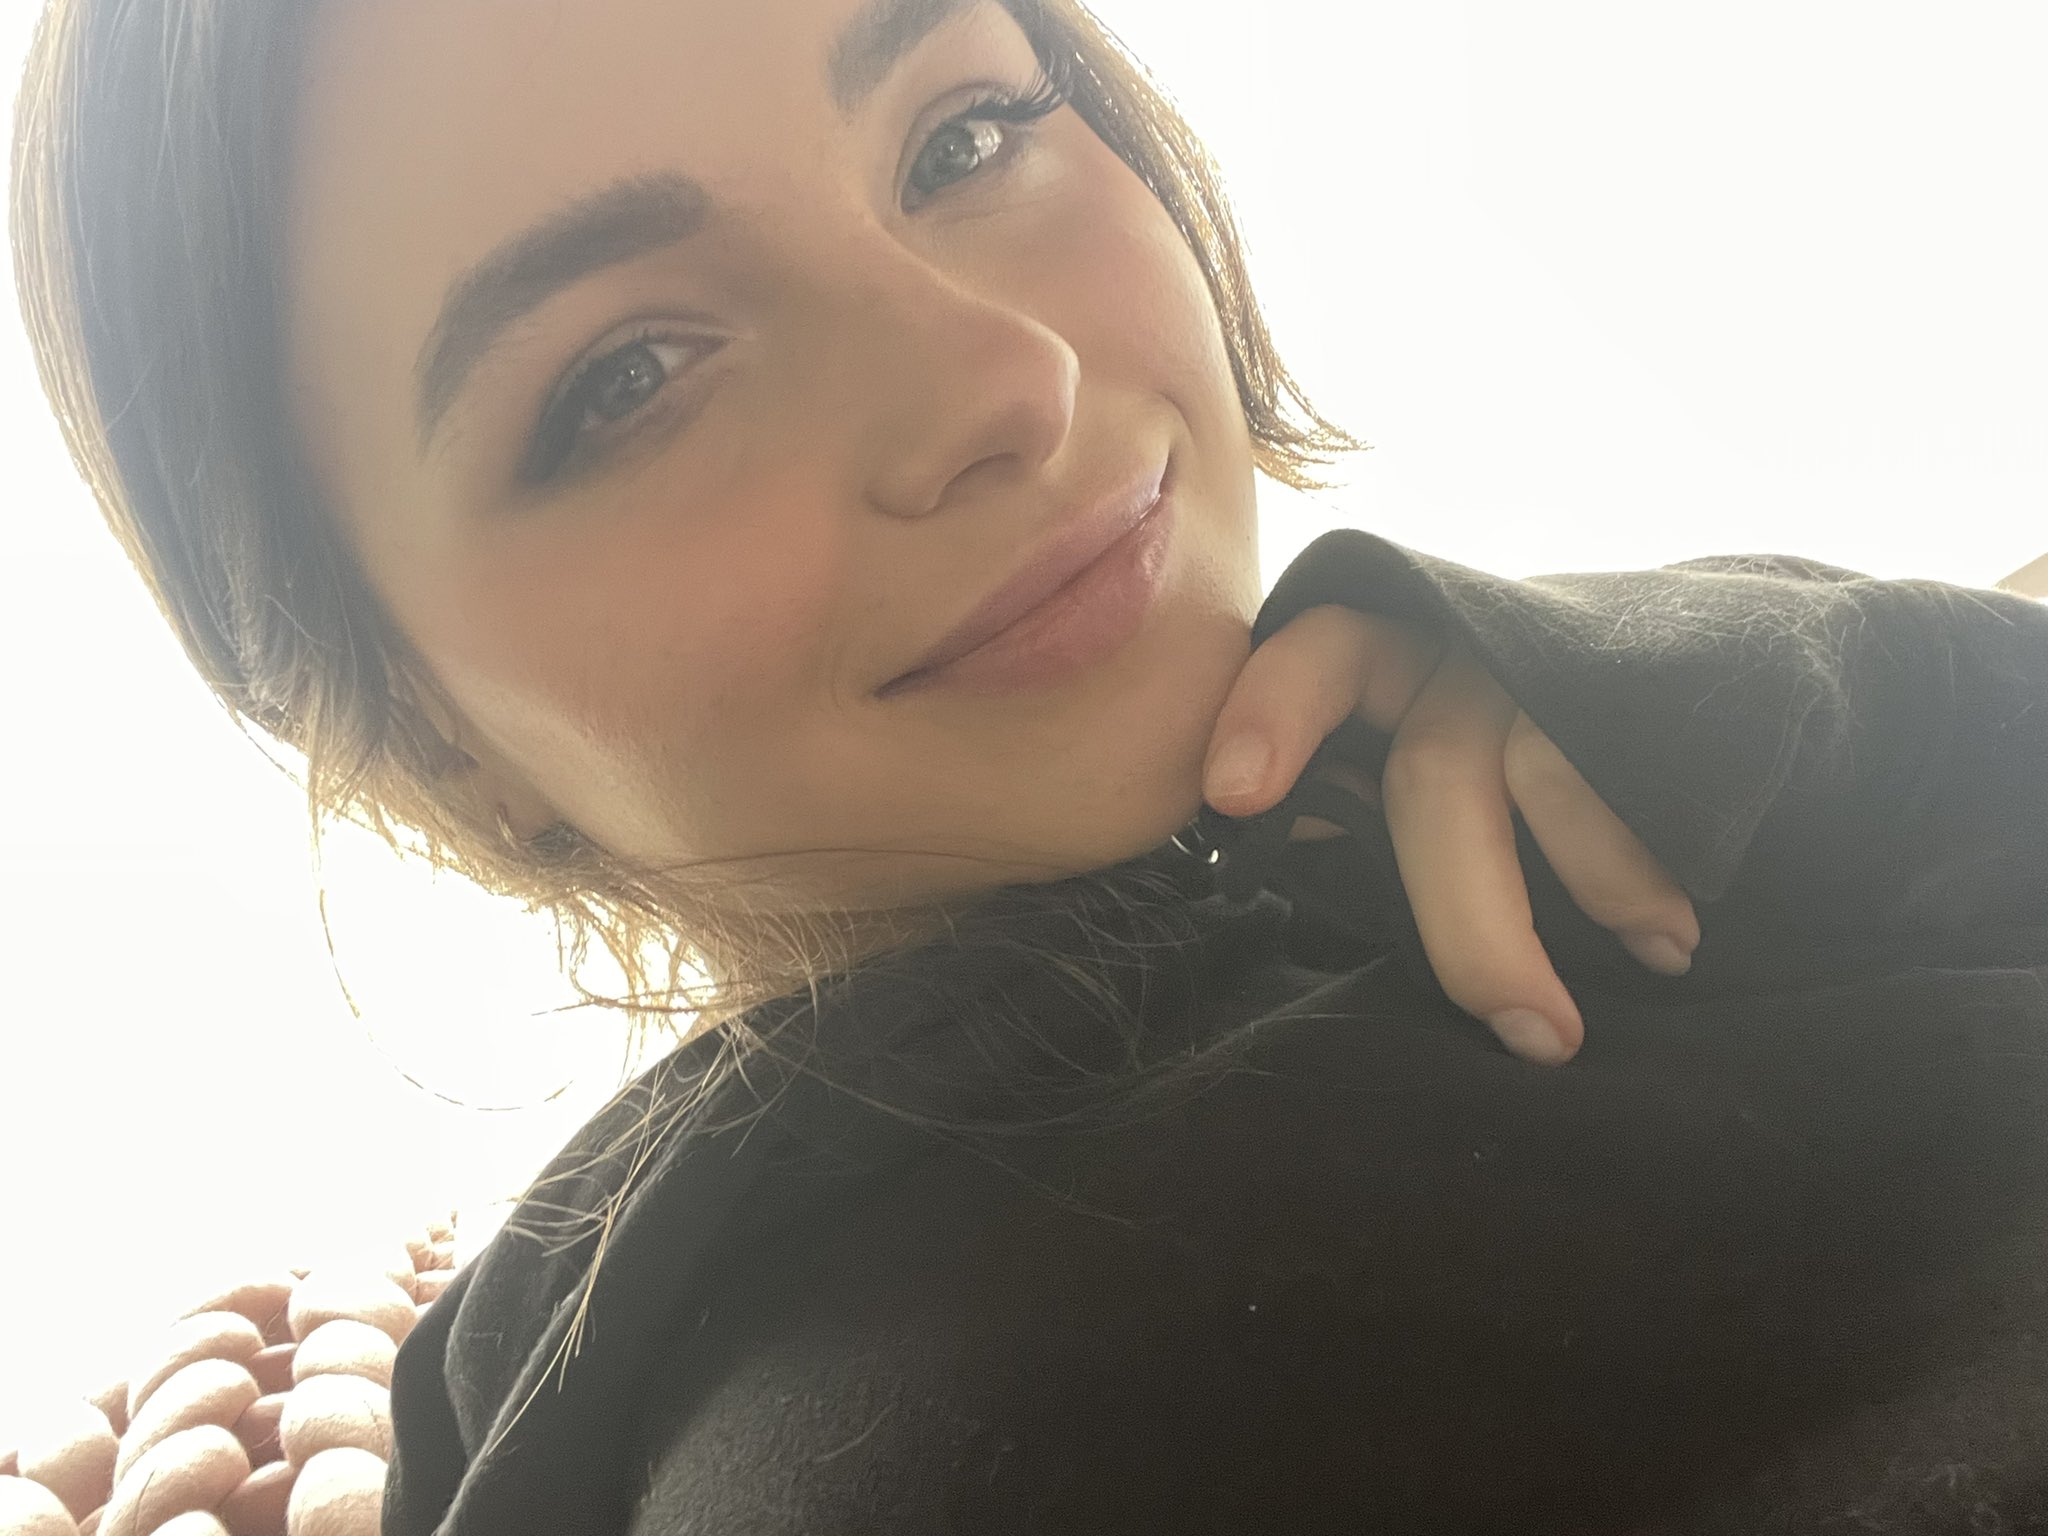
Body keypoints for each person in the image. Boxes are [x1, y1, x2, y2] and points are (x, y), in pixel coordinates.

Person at [11, 0, 2046, 1531]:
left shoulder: (1577, 760)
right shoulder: (905, 1439)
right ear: (432, 746)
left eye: (964, 132)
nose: (1007, 377)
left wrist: (1757, 689)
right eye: (628, 375)